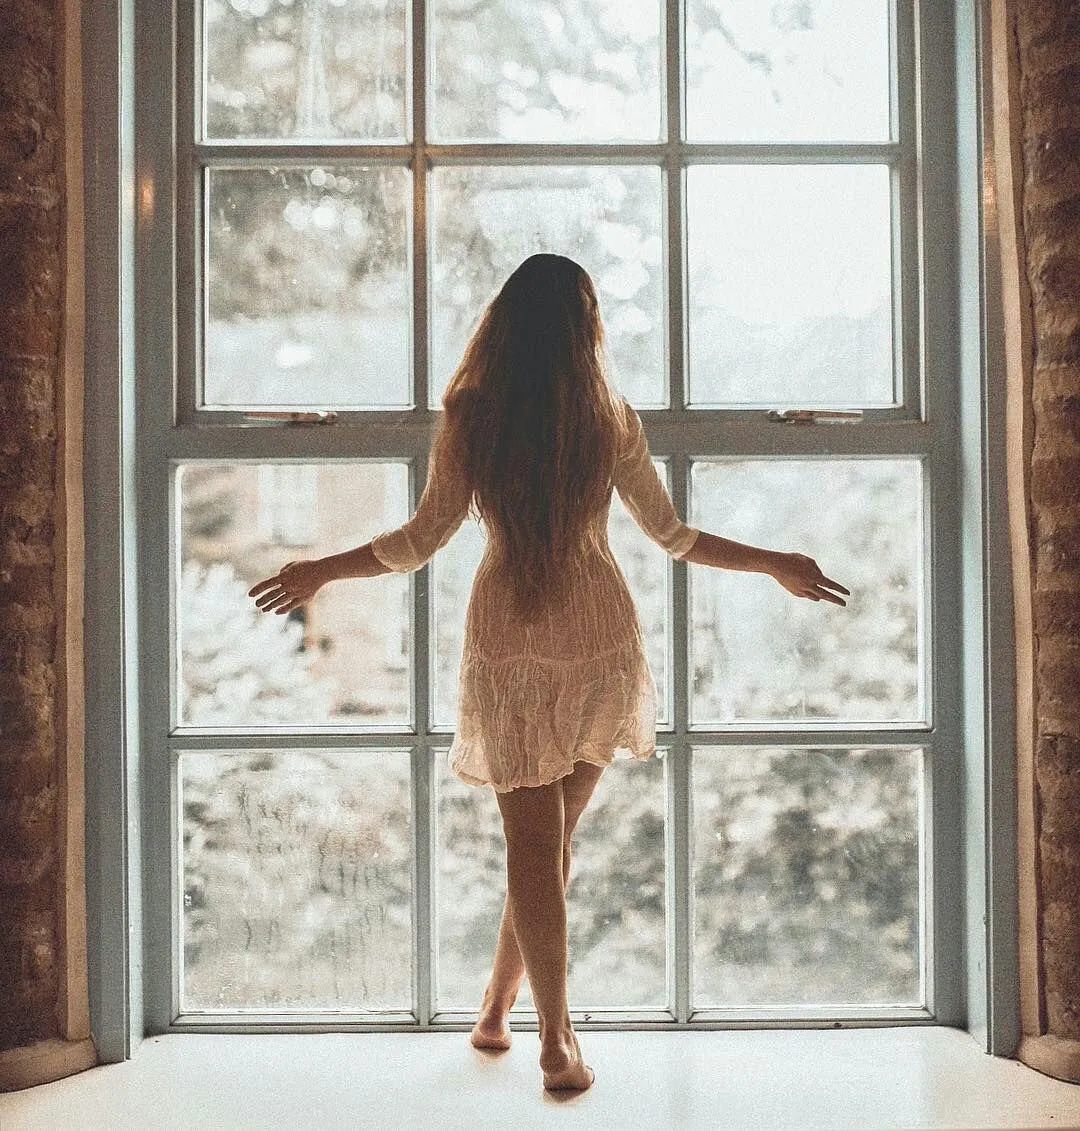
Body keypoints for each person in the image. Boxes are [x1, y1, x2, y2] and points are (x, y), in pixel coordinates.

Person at [248, 253, 849, 1093]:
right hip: (599, 633)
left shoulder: (471, 412)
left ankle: (554, 1037)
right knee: (549, 848)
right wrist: (773, 560)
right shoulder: (608, 416)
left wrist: (322, 570)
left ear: (504, 324)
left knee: (536, 848)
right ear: (583, 328)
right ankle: (500, 1012)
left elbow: (421, 539)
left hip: (514, 642)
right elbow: (674, 535)